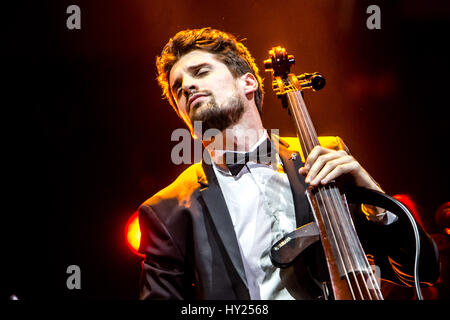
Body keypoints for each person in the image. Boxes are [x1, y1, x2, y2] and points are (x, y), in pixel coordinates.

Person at [137, 27, 439, 300]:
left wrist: (373, 197)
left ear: (249, 83)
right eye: (178, 88)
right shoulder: (168, 210)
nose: (187, 86)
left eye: (200, 72)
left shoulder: (323, 154)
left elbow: (424, 271)